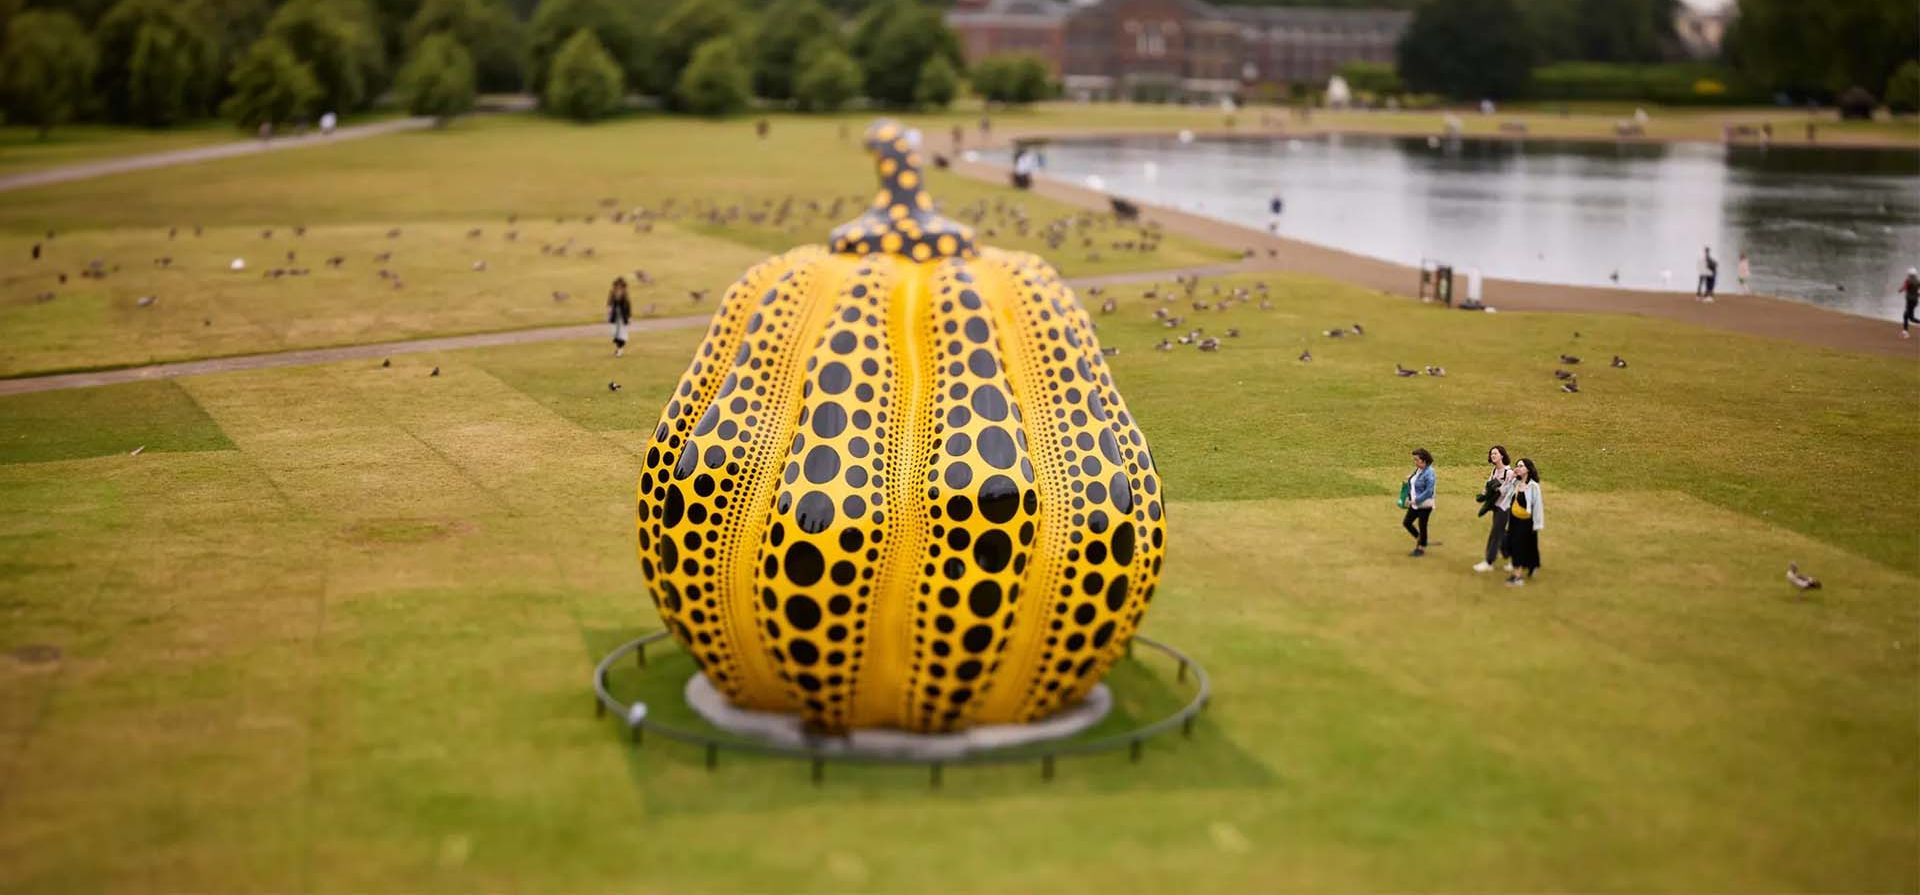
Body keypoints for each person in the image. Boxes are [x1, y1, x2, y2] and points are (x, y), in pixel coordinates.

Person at [1472, 445, 1516, 573]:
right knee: (1501, 533)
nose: (1493, 455)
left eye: (1495, 453)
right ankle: (1513, 556)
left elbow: (1508, 491)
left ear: (1502, 455)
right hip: (1496, 506)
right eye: (1491, 454)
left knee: (1495, 533)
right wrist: (1485, 491)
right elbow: (1488, 484)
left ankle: (1488, 562)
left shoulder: (1509, 472)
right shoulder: (1494, 470)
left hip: (1505, 508)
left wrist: (1496, 488)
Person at [1504, 459, 1544, 586]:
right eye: (1517, 466)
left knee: (1519, 546)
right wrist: (1513, 478)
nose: (1518, 468)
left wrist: (1537, 523)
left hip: (1526, 521)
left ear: (1528, 469)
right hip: (1514, 519)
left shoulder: (1533, 486)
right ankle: (1528, 566)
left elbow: (1537, 505)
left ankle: (1518, 576)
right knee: (1509, 543)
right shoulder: (1516, 483)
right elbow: (1505, 491)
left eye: (1521, 466)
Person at [1401, 448, 1436, 557]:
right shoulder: (1418, 470)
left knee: (1422, 525)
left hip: (1424, 504)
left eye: (1417, 460)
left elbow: (1429, 491)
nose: (1415, 462)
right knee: (1407, 522)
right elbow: (1413, 481)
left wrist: (1415, 500)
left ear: (1424, 460)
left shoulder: (1429, 473)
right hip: (1415, 503)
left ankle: (1421, 548)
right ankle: (1422, 539)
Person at [607, 277, 632, 356]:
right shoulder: (612, 293)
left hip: (622, 317)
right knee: (615, 333)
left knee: (622, 333)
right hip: (615, 316)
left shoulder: (625, 295)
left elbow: (628, 306)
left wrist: (629, 317)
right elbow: (609, 303)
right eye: (617, 286)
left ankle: (620, 350)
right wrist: (609, 310)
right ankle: (618, 348)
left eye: (620, 286)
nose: (619, 288)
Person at [1899, 268, 1920, 339]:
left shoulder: (1908, 281)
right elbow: (1918, 292)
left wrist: (1900, 290)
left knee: (1906, 316)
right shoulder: (1918, 281)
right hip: (1915, 301)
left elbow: (1904, 288)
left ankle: (1905, 333)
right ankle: (1905, 332)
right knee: (1910, 317)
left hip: (1910, 301)